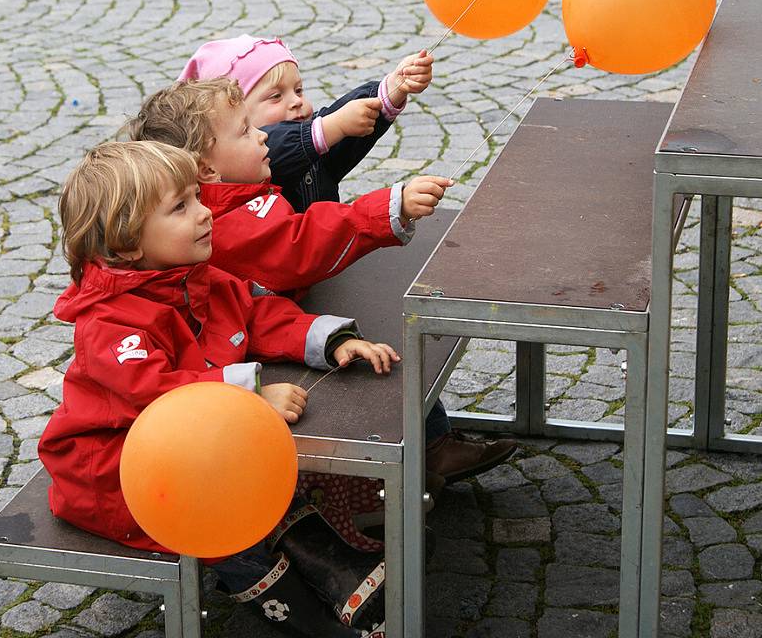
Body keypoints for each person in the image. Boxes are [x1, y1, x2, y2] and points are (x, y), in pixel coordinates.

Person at [38, 141, 395, 637]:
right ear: (126, 245)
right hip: (114, 474)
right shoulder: (107, 323)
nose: (206, 214)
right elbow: (158, 394)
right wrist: (247, 398)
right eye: (181, 207)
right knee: (224, 516)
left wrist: (326, 340)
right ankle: (308, 614)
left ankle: (338, 573)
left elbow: (254, 314)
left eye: (198, 197)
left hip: (184, 450)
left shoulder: (196, 277)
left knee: (256, 481)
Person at [127, 78, 518, 496]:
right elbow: (298, 245)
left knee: (368, 331)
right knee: (377, 333)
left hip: (260, 344)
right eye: (245, 131)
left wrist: (328, 338)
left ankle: (420, 450)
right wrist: (388, 207)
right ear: (207, 168)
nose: (262, 135)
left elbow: (251, 308)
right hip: (198, 430)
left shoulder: (235, 198)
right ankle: (385, 477)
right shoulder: (223, 220)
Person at [178, 34, 433, 212]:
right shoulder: (240, 168)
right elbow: (281, 146)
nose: (295, 101)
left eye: (298, 90)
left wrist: (391, 89)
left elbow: (339, 127)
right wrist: (333, 125)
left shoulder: (316, 142)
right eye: (276, 96)